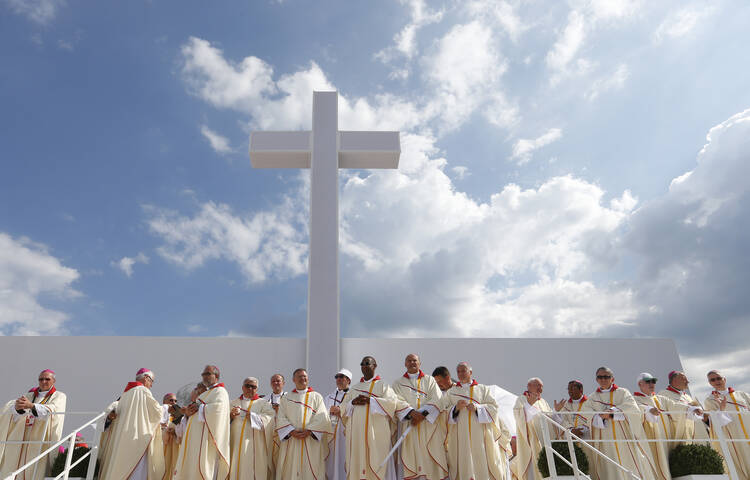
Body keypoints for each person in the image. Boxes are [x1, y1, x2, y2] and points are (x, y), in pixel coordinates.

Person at [341, 356, 406, 480]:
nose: (364, 366)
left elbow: (392, 404)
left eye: (367, 363)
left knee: (378, 462)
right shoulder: (354, 388)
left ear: (374, 366)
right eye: (362, 364)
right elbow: (342, 408)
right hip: (357, 435)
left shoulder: (383, 385)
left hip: (376, 434)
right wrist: (352, 402)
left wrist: (370, 400)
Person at [586, 366, 656, 480]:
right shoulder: (592, 397)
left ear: (612, 379)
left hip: (623, 437)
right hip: (605, 438)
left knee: (628, 463)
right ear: (596, 379)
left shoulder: (623, 392)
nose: (603, 379)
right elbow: (587, 413)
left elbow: (632, 408)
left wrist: (612, 413)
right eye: (600, 377)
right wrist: (599, 416)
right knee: (610, 465)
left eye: (606, 377)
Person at [98, 368, 165, 480]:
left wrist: (110, 417)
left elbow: (107, 416)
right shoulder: (144, 391)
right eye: (151, 381)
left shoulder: (123, 396)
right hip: (136, 440)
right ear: (146, 378)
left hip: (120, 442)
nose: (151, 385)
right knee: (136, 471)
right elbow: (157, 412)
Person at [0, 369, 67, 480]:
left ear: (54, 381)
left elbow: (53, 410)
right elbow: (15, 414)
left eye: (47, 379)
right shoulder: (29, 395)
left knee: (36, 471)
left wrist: (31, 406)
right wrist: (17, 408)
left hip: (41, 440)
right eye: (41, 379)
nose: (44, 381)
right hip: (23, 439)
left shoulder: (59, 396)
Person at [444, 362, 506, 480]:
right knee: (463, 460)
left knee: (481, 460)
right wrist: (455, 408)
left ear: (470, 372)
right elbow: (443, 411)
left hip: (480, 434)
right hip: (460, 435)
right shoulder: (451, 392)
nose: (461, 374)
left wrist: (478, 408)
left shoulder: (482, 389)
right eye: (458, 371)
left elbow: (494, 408)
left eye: (463, 371)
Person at [392, 353, 448, 480]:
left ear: (420, 363)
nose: (412, 363)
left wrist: (422, 414)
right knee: (411, 457)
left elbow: (438, 399)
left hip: (428, 425)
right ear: (405, 364)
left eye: (415, 360)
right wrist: (411, 413)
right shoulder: (398, 383)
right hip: (409, 424)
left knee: (429, 456)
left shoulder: (430, 380)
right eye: (409, 360)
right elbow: (395, 400)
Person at [173, 365, 231, 480]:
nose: (205, 376)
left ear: (217, 376)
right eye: (203, 374)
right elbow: (196, 409)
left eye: (208, 374)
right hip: (196, 439)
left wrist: (199, 407)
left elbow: (218, 410)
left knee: (206, 470)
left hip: (207, 441)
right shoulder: (205, 394)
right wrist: (188, 413)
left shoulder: (220, 392)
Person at [275, 368, 331, 480]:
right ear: (293, 380)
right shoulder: (286, 398)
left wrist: (309, 431)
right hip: (291, 440)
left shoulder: (316, 396)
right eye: (299, 376)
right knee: (290, 469)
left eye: (305, 376)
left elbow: (322, 417)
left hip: (310, 440)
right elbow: (281, 417)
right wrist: (290, 431)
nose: (303, 378)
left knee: (311, 470)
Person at [703, 370, 750, 478]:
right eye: (712, 380)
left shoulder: (742, 395)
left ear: (724, 379)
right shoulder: (710, 400)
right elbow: (715, 423)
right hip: (733, 437)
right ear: (710, 383)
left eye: (719, 378)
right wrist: (721, 409)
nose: (716, 381)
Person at [229, 376, 275, 480]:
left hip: (254, 445)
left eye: (253, 387)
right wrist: (231, 415)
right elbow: (223, 421)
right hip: (235, 444)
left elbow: (270, 419)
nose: (250, 389)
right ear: (242, 387)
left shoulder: (263, 403)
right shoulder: (233, 403)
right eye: (247, 386)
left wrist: (254, 417)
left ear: (257, 389)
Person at [632, 373, 672, 480]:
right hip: (652, 441)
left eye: (653, 381)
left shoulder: (661, 399)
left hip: (667, 438)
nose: (651, 384)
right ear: (640, 384)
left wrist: (690, 408)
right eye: (648, 381)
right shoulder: (635, 400)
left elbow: (675, 406)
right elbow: (635, 410)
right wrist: (648, 410)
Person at [512, 377, 552, 480]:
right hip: (530, 442)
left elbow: (549, 418)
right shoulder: (522, 399)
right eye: (537, 385)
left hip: (542, 442)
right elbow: (518, 416)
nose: (540, 388)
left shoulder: (543, 402)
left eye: (541, 386)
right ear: (529, 386)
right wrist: (529, 405)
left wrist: (556, 411)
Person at [657, 371, 709, 445]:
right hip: (681, 431)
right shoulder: (663, 394)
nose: (688, 381)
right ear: (675, 380)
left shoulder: (687, 396)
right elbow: (672, 410)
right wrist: (688, 408)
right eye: (684, 379)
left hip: (698, 431)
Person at [325, 368, 352, 480]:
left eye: (342, 377)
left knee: (345, 458)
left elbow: (355, 412)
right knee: (331, 462)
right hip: (331, 434)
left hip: (345, 434)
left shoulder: (353, 396)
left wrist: (341, 410)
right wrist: (329, 411)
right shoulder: (328, 397)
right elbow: (321, 414)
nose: (339, 379)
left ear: (348, 380)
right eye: (337, 377)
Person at [267, 373, 286, 479]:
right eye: (273, 381)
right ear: (270, 384)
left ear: (283, 383)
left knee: (283, 463)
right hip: (269, 435)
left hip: (285, 436)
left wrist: (280, 410)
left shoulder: (289, 398)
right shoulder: (265, 399)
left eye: (278, 381)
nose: (276, 383)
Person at [162, 393, 181, 480]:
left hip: (175, 445)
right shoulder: (162, 410)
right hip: (162, 444)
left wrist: (175, 430)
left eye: (175, 401)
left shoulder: (178, 413)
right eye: (171, 400)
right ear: (164, 401)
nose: (173, 402)